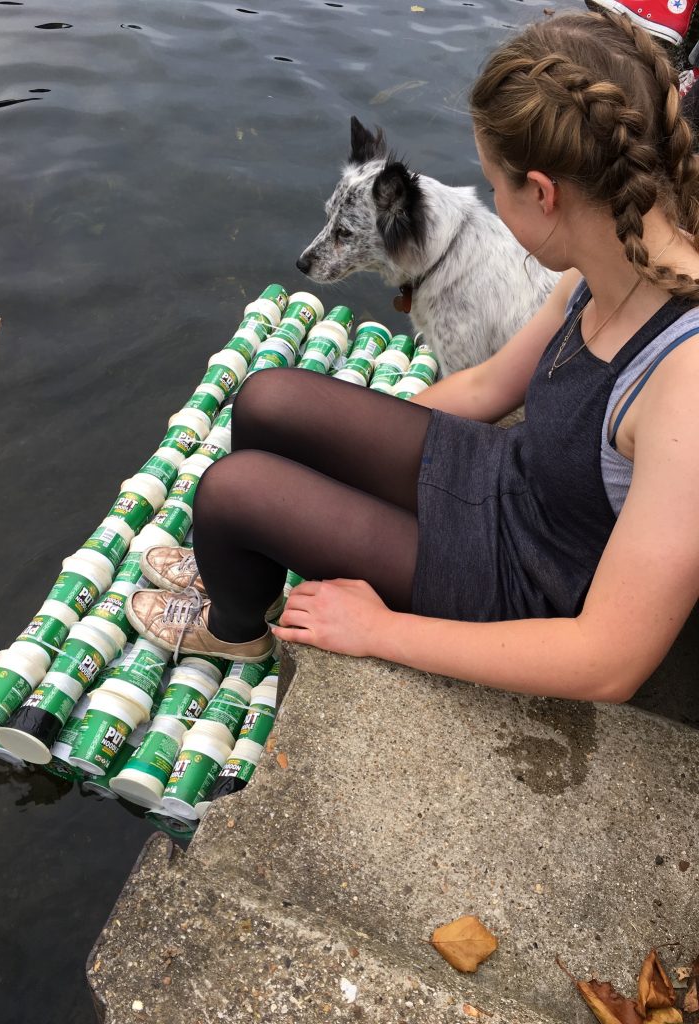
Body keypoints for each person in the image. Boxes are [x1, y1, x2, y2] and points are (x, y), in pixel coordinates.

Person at [125, 9, 699, 705]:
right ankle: (242, 564)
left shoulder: (684, 382)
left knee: (233, 491)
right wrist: (347, 446)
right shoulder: (611, 255)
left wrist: (377, 630)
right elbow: (489, 384)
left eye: (496, 185)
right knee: (271, 400)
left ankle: (235, 625)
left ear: (543, 192)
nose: (491, 202)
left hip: (525, 581)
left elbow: (607, 661)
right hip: (513, 479)